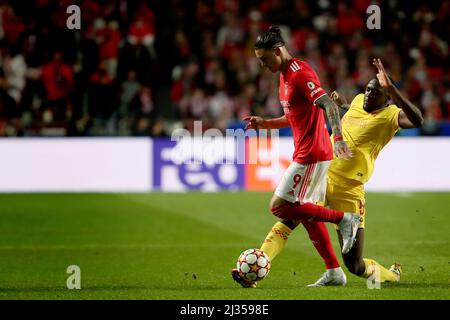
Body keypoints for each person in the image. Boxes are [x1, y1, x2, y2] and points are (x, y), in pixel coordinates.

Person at [232, 26, 362, 288]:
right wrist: (264, 123)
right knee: (304, 214)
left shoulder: (300, 74)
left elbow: (327, 103)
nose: (263, 65)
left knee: (279, 205)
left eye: (264, 59)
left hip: (312, 153)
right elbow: (294, 118)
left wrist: (337, 137)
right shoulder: (283, 76)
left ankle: (345, 219)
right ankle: (334, 272)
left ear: (278, 51)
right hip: (305, 151)